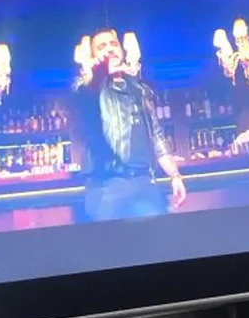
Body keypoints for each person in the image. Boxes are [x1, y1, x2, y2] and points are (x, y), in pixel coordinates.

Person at [72, 28, 187, 221]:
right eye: (101, 46)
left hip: (144, 182)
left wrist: (175, 175)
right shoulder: (88, 88)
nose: (110, 49)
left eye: (113, 44)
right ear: (93, 56)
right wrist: (97, 75)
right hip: (107, 187)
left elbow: (156, 135)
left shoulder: (140, 90)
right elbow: (85, 91)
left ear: (122, 51)